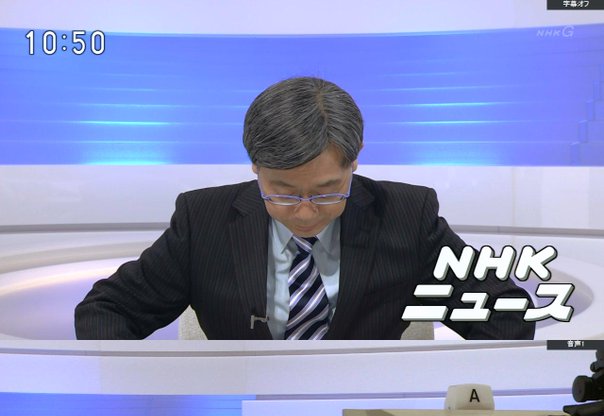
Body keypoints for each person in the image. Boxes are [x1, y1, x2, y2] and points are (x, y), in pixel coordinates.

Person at [75, 76, 534, 340]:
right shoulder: (205, 219)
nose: (305, 212)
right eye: (283, 192)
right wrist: (144, 385)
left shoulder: (405, 216)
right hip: (240, 414)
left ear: (355, 161)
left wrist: (452, 394)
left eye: (328, 191)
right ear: (255, 166)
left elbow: (506, 312)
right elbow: (106, 310)